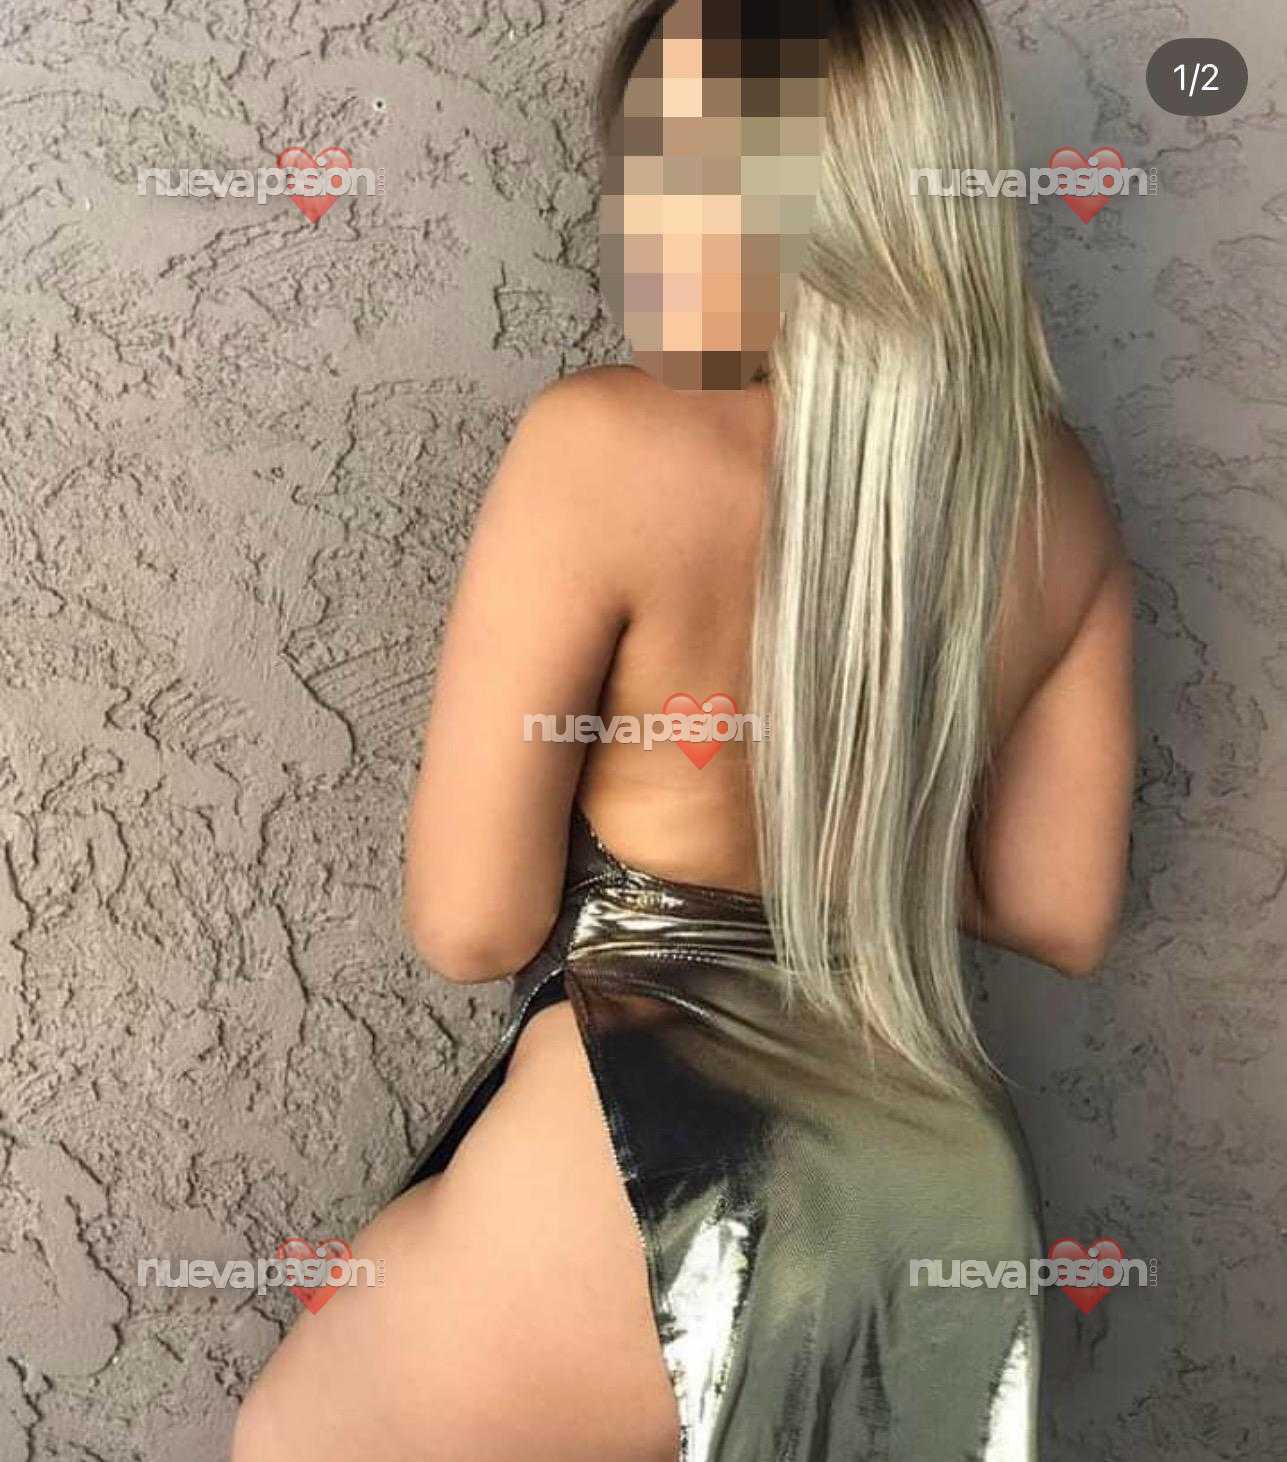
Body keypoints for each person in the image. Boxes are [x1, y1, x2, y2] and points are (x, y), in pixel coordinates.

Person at [232, 0, 1135, 1457]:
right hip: (936, 1190)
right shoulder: (1059, 492)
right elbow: (1057, 907)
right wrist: (850, 787)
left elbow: (470, 923)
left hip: (644, 1166)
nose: (638, 212)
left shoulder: (604, 441)